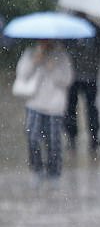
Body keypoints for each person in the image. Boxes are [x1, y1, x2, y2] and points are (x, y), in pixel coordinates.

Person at [14, 40, 73, 179]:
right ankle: (37, 170)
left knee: (53, 141)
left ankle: (54, 172)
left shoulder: (62, 56)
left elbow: (67, 79)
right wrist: (35, 61)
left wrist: (53, 68)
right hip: (34, 103)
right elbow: (22, 75)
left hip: (54, 106)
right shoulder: (30, 53)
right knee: (32, 137)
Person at [64, 14, 100, 152]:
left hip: (85, 75)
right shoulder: (93, 28)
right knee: (82, 107)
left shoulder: (92, 29)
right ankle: (81, 136)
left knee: (84, 107)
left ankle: (88, 136)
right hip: (79, 75)